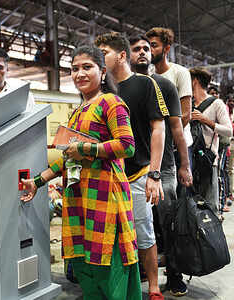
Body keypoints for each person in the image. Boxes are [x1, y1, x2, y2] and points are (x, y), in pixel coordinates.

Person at [21, 46, 141, 300]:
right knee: (87, 270)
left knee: (110, 269)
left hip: (106, 200)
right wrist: (38, 181)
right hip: (80, 202)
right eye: (75, 69)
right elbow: (68, 158)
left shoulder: (111, 102)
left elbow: (127, 145)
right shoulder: (77, 112)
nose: (79, 74)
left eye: (87, 67)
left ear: (103, 71)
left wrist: (86, 147)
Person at [96, 32, 168, 300]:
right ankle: (124, 285)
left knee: (144, 232)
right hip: (110, 176)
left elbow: (158, 128)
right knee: (113, 236)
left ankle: (153, 286)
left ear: (121, 55)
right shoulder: (103, 91)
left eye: (104, 53)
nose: (100, 59)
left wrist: (154, 173)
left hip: (138, 174)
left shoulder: (145, 85)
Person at [129, 34, 192, 297]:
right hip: (133, 168)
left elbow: (176, 127)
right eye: (136, 49)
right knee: (139, 225)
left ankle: (174, 275)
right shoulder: (120, 87)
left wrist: (184, 165)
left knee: (168, 221)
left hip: (163, 166)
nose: (143, 52)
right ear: (126, 54)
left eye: (147, 48)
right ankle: (143, 270)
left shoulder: (164, 85)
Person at [146, 28, 193, 162]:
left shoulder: (180, 72)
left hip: (178, 145)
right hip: (156, 144)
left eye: (154, 45)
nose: (149, 50)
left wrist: (168, 141)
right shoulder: (148, 76)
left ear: (166, 49)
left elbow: (186, 114)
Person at [190, 67, 232, 215]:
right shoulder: (187, 103)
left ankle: (211, 237)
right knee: (190, 207)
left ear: (194, 81)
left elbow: (228, 130)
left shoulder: (217, 104)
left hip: (208, 161)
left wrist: (205, 120)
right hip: (188, 162)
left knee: (210, 207)